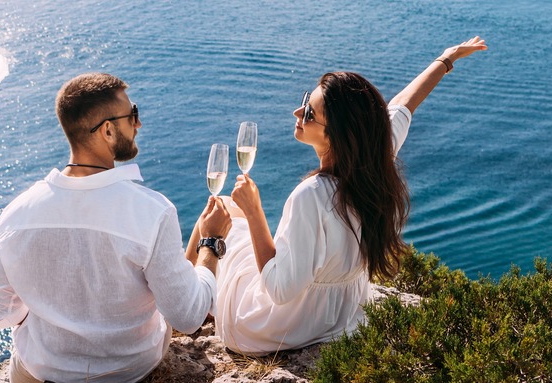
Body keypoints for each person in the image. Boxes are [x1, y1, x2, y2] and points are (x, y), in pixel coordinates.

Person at [192, 37, 488, 356]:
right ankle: (191, 299)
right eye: (306, 102)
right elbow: (403, 105)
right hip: (340, 317)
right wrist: (446, 59)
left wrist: (254, 212)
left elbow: (279, 289)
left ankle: (184, 307)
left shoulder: (311, 195)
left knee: (219, 211)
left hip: (276, 326)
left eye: (308, 113)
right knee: (230, 211)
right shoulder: (375, 159)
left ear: (335, 134)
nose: (297, 112)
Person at [0, 72, 232, 383]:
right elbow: (188, 317)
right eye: (133, 115)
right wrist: (211, 242)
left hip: (43, 370)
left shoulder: (16, 215)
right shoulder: (151, 210)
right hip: (131, 368)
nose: (139, 123)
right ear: (108, 130)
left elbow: (1, 313)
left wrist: (53, 304)